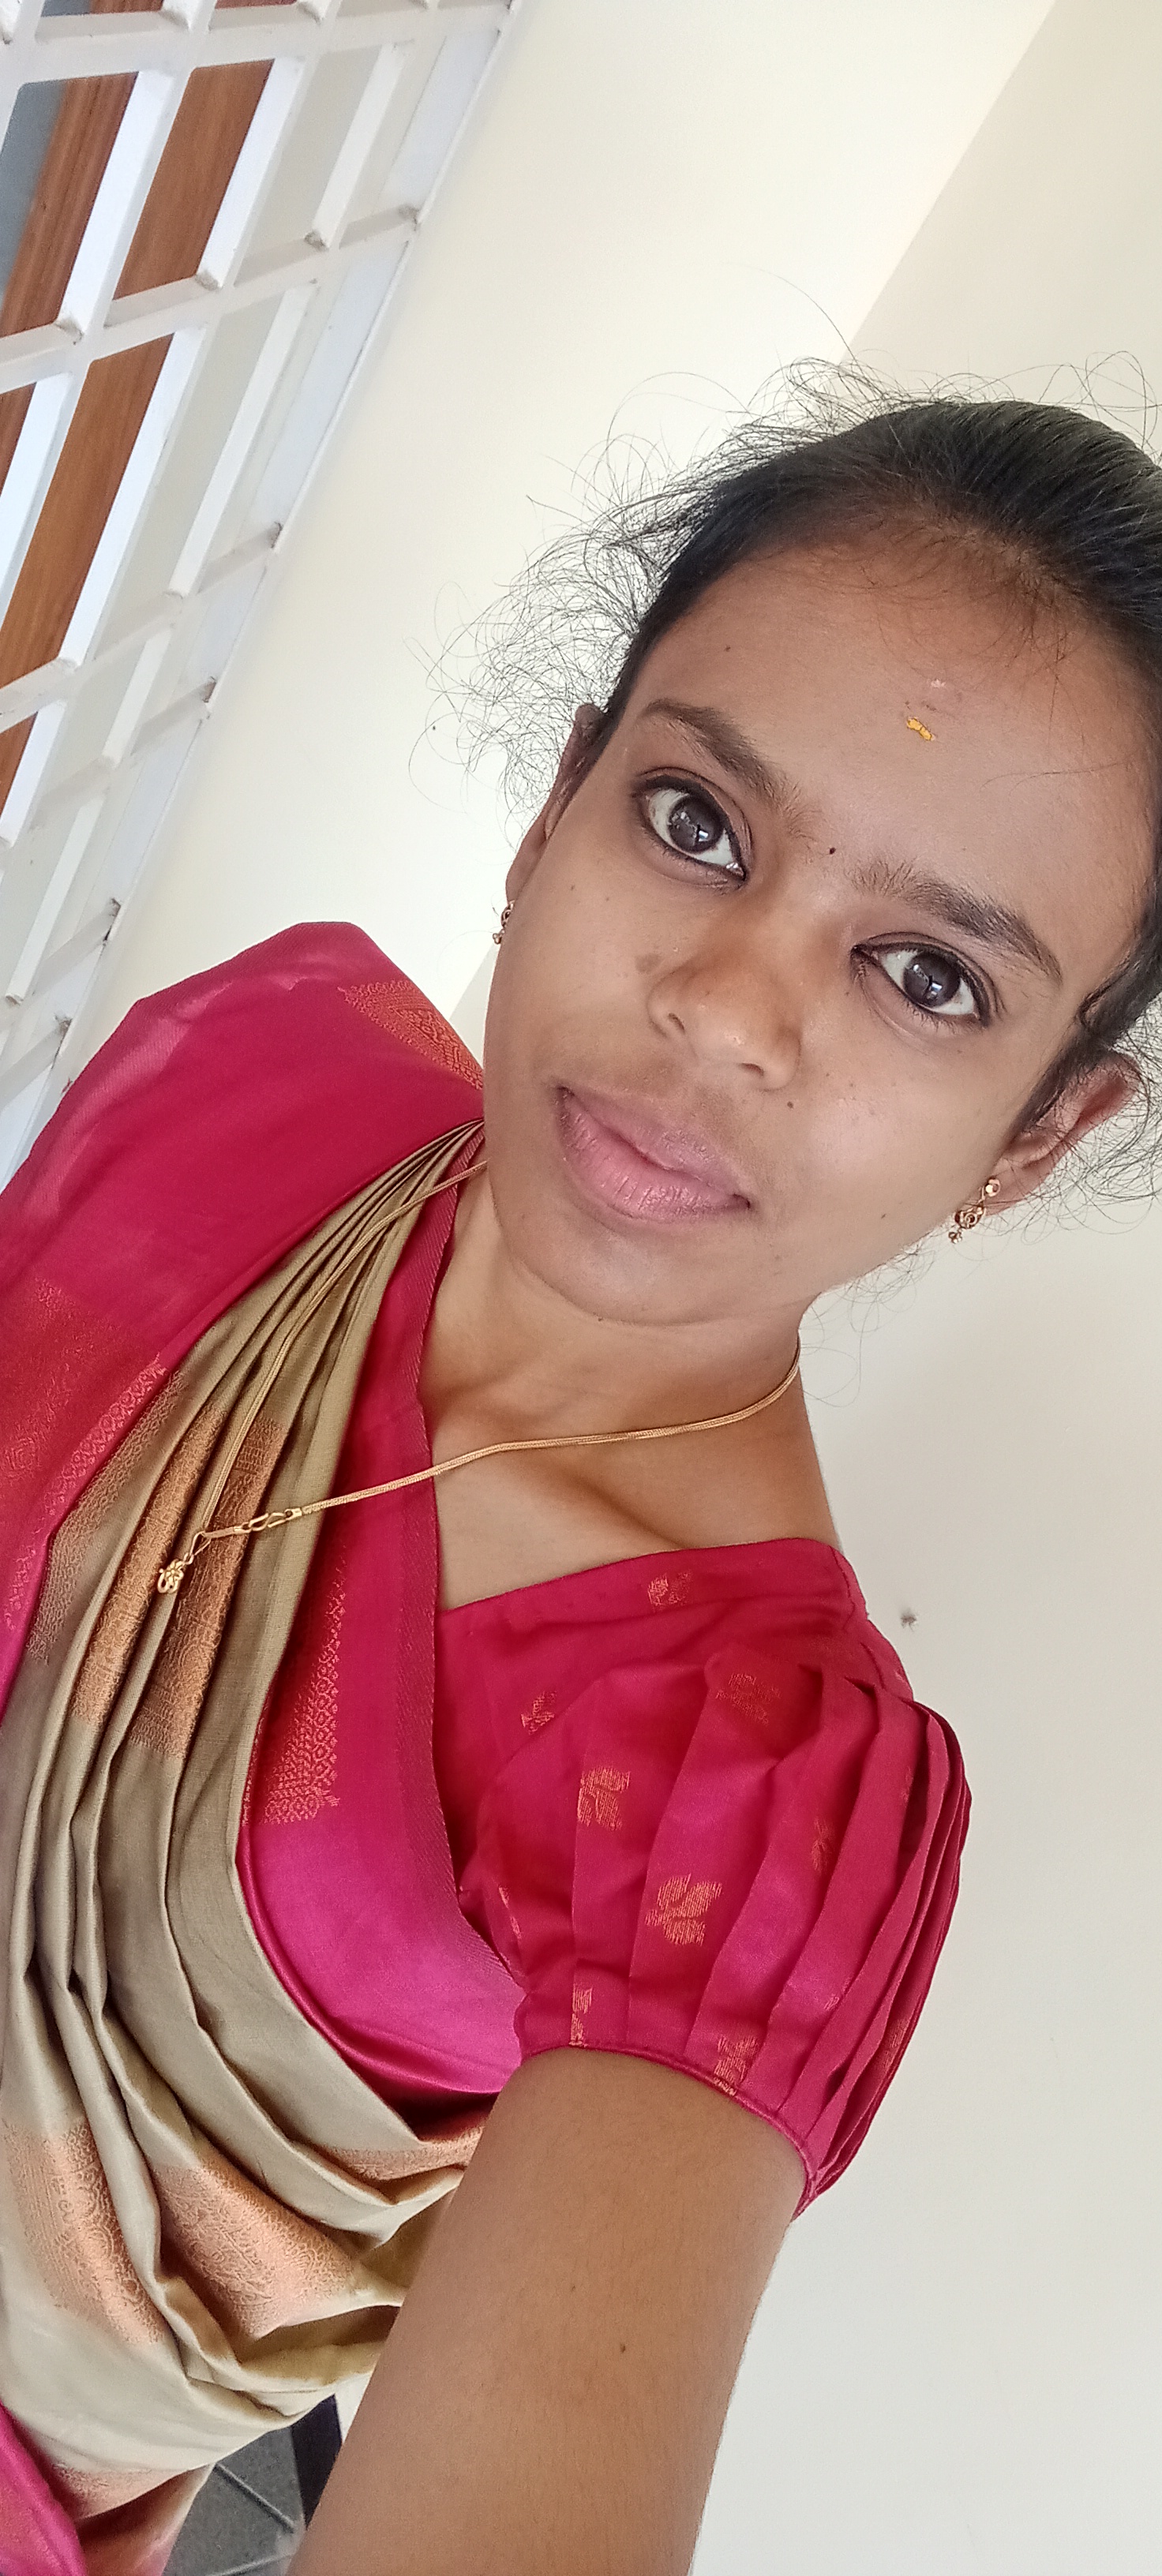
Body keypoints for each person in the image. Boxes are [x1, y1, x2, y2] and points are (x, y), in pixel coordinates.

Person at [0, 384, 1158, 2576]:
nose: (725, 1008)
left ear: (1036, 1134)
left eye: (926, 975)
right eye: (699, 823)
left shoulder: (742, 1778)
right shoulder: (264, 1065)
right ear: (555, 809)